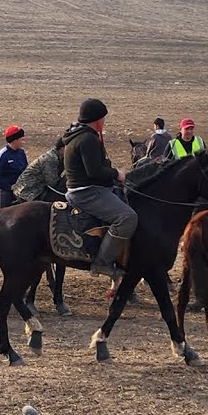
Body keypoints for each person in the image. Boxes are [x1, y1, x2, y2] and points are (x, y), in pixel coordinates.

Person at [63, 98, 135, 280]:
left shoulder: (77, 135)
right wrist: (115, 174)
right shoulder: (88, 139)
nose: (104, 122)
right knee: (127, 217)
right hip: (87, 192)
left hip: (82, 189)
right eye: (103, 118)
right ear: (97, 119)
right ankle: (102, 262)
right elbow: (94, 171)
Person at [0, 125, 28, 208]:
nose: (23, 142)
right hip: (5, 190)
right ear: (14, 140)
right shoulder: (2, 154)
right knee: (3, 214)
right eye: (21, 140)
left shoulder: (22, 153)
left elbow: (26, 170)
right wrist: (9, 187)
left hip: (20, 189)